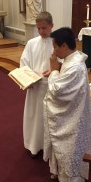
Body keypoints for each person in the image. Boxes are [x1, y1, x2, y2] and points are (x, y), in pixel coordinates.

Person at [43, 27, 91, 182]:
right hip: (72, 112)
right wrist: (58, 69)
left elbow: (58, 91)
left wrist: (54, 71)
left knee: (69, 147)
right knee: (65, 146)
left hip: (71, 119)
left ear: (64, 46)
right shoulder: (71, 60)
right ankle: (60, 172)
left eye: (55, 46)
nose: (54, 50)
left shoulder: (75, 67)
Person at [20, 11, 54, 158]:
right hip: (34, 87)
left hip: (51, 87)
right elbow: (24, 63)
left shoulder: (57, 43)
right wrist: (27, 79)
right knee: (34, 116)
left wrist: (53, 70)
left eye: (44, 28)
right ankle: (33, 145)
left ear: (51, 26)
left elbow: (63, 63)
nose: (41, 31)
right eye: (38, 28)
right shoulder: (31, 43)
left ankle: (48, 147)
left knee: (47, 118)